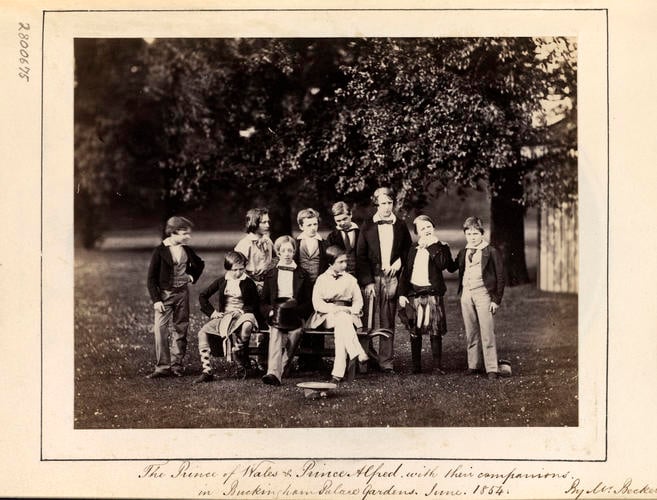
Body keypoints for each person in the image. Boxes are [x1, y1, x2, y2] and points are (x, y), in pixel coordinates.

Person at [356, 187, 412, 374]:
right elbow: (361, 256)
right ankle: (367, 358)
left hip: (391, 280)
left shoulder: (400, 225)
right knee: (367, 321)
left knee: (387, 320)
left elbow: (408, 250)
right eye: (383, 203)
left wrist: (399, 262)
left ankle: (386, 362)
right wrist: (368, 282)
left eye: (390, 203)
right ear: (376, 204)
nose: (387, 207)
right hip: (373, 279)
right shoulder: (368, 225)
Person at [146, 216, 205, 379]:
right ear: (174, 232)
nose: (189, 236)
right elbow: (151, 279)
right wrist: (156, 300)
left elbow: (200, 264)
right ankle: (162, 367)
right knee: (161, 329)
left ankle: (176, 365)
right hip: (164, 295)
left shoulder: (186, 250)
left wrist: (191, 277)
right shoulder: (160, 251)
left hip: (182, 293)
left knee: (181, 328)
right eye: (185, 233)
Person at [398, 215, 456, 374]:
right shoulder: (413, 249)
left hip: (432, 293)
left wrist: (434, 246)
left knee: (435, 330)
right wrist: (402, 294)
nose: (427, 230)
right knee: (415, 331)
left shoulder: (440, 247)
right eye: (422, 228)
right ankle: (416, 366)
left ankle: (437, 366)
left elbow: (444, 265)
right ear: (417, 232)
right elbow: (406, 273)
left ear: (434, 228)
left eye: (429, 227)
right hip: (415, 293)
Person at [193, 251, 263, 383]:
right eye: (235, 270)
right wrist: (213, 313)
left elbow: (254, 304)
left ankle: (237, 350)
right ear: (228, 268)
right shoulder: (222, 281)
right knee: (202, 332)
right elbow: (203, 296)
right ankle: (207, 371)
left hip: (243, 314)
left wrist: (242, 311)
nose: (238, 272)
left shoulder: (248, 282)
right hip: (226, 316)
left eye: (241, 269)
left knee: (247, 324)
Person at [307, 246, 369, 383]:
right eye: (340, 262)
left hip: (347, 315)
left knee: (342, 327)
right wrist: (334, 308)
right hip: (327, 316)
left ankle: (337, 374)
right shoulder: (321, 279)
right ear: (330, 263)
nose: (345, 265)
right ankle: (357, 351)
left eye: (345, 261)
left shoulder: (351, 280)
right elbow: (317, 303)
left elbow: (358, 302)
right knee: (341, 319)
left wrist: (350, 310)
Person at [453, 216, 505, 379]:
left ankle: (492, 368)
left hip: (484, 293)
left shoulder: (490, 251)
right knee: (471, 331)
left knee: (487, 331)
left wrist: (496, 300)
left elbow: (500, 277)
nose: (472, 237)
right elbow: (452, 266)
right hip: (467, 293)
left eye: (475, 233)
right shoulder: (464, 252)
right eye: (468, 234)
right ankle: (473, 365)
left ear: (482, 233)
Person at [260, 236, 313, 386]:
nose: (287, 253)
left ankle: (281, 368)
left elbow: (309, 302)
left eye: (290, 250)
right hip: (276, 315)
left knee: (295, 334)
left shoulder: (302, 274)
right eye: (283, 250)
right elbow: (263, 301)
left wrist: (297, 311)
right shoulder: (271, 274)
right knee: (275, 333)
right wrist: (270, 311)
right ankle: (272, 372)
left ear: (294, 252)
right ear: (278, 253)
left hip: (295, 314)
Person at [294, 208, 329, 371]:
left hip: (319, 286)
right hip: (302, 289)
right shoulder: (296, 243)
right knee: (303, 319)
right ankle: (303, 357)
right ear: (301, 226)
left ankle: (317, 357)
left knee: (319, 319)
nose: (313, 228)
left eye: (315, 224)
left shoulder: (323, 243)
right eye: (309, 225)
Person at [234, 208, 274, 295]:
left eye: (268, 222)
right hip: (249, 285)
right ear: (254, 223)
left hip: (267, 284)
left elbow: (273, 260)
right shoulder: (245, 244)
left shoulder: (268, 241)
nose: (268, 225)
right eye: (263, 222)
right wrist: (255, 285)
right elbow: (237, 269)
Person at [326, 201, 360, 276]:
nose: (342, 223)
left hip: (360, 275)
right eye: (338, 221)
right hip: (341, 276)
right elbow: (329, 260)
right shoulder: (332, 237)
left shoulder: (361, 233)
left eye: (345, 219)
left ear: (350, 214)